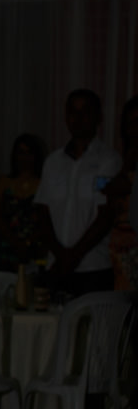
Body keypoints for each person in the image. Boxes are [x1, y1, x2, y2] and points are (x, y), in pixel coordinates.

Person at [35, 89, 122, 297]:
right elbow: (42, 210)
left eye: (85, 111)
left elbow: (106, 216)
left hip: (93, 268)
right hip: (56, 266)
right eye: (72, 112)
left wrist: (72, 257)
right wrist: (60, 255)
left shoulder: (109, 160)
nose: (78, 118)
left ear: (98, 117)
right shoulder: (53, 162)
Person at [0, 134, 45, 270]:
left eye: (29, 153)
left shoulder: (44, 183)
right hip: (4, 249)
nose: (25, 157)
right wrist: (14, 242)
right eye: (21, 152)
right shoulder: (3, 182)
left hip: (34, 249)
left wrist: (27, 243)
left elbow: (46, 220)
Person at [107, 96, 138, 289]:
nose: (134, 129)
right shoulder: (124, 160)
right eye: (130, 123)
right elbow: (112, 190)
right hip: (121, 246)